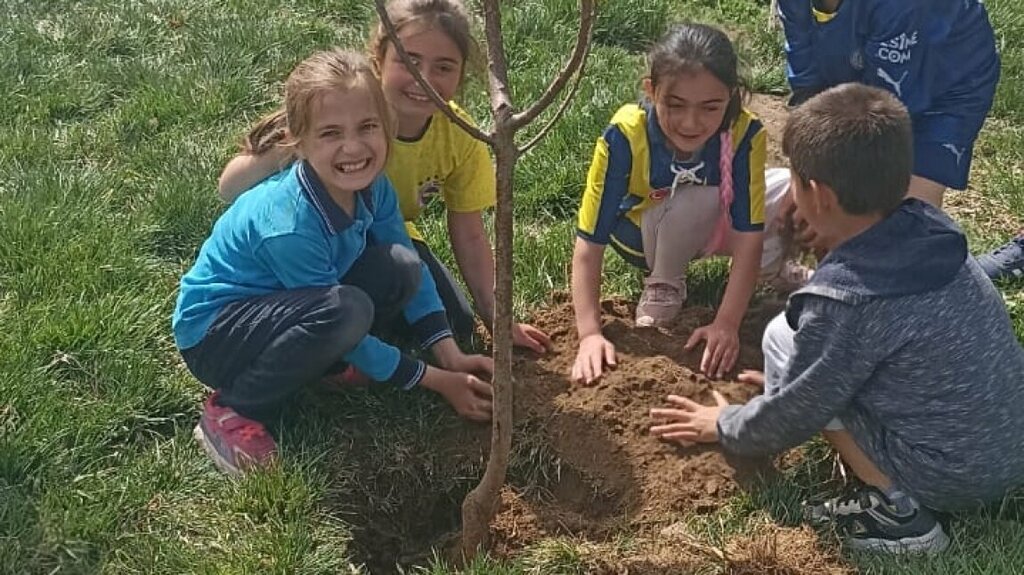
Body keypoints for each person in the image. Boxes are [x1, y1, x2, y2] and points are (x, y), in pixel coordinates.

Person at [650, 84, 1024, 553]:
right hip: (1010, 439)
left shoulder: (846, 301)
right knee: (794, 344)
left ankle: (899, 510)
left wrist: (726, 423)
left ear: (818, 194)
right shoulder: (932, 230)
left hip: (952, 476)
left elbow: (796, 415)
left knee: (793, 352)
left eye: (794, 179)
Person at [173, 48, 495, 476]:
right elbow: (339, 316)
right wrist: (437, 381)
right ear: (299, 142)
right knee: (347, 311)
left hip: (289, 305)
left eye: (367, 127)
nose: (353, 147)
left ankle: (326, 365)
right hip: (216, 335)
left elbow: (408, 265)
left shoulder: (374, 187)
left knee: (402, 264)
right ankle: (234, 407)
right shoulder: (289, 226)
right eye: (330, 133)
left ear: (388, 126)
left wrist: (450, 355)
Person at [216, 0, 551, 353]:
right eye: (409, 61)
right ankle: (329, 337)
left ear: (461, 73)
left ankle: (358, 333)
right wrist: (292, 145)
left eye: (444, 67)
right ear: (378, 59)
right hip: (307, 242)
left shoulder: (460, 136)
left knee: (455, 324)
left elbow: (469, 234)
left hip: (383, 236)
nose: (424, 78)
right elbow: (229, 187)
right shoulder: (341, 112)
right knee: (354, 310)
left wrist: (497, 317)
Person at [570, 23, 809, 384]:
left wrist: (726, 323)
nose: (691, 122)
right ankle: (663, 283)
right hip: (642, 233)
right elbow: (590, 241)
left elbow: (749, 234)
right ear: (651, 91)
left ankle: (770, 268)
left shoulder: (745, 132)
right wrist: (589, 334)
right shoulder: (625, 135)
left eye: (710, 107)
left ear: (731, 96)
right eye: (675, 105)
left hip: (707, 216)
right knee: (695, 198)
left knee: (793, 188)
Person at [777, 0, 1001, 209]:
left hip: (947, 80)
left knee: (905, 212)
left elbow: (881, 121)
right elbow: (804, 74)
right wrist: (805, 180)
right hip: (866, 48)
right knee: (826, 201)